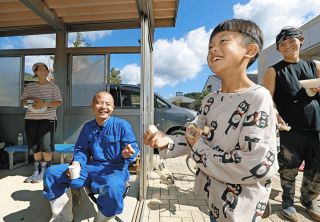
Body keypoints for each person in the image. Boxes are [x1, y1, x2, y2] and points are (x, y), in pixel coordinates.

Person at [144, 19, 279, 222]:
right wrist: (167, 141)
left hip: (242, 207)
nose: (213, 50)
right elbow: (196, 138)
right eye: (210, 47)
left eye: (223, 42)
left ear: (250, 51)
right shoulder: (210, 100)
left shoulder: (258, 97)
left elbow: (256, 162)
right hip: (214, 199)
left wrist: (197, 145)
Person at [43, 91, 140, 222]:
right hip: (91, 167)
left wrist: (128, 154)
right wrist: (77, 162)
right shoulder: (88, 127)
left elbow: (132, 148)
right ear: (92, 105)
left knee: (113, 188)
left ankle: (102, 219)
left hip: (115, 170)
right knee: (52, 173)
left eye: (108, 104)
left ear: (113, 107)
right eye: (99, 102)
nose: (103, 107)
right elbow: (81, 149)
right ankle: (62, 216)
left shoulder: (122, 125)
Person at [263, 26, 320, 221]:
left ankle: (309, 201)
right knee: (289, 168)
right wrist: (275, 114)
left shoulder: (315, 65)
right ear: (278, 48)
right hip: (291, 128)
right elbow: (267, 99)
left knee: (316, 167)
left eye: (291, 41)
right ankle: (287, 204)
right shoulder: (274, 71)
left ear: (301, 40)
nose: (287, 46)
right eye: (282, 44)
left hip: (316, 126)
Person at [21, 62, 62, 183]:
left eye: (45, 69)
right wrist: (31, 100)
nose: (43, 71)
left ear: (48, 72)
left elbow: (59, 102)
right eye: (40, 69)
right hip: (30, 119)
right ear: (36, 72)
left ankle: (45, 171)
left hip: (48, 119)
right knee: (34, 146)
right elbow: (23, 102)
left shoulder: (53, 86)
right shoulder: (30, 87)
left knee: (46, 146)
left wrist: (44, 104)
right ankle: (36, 171)